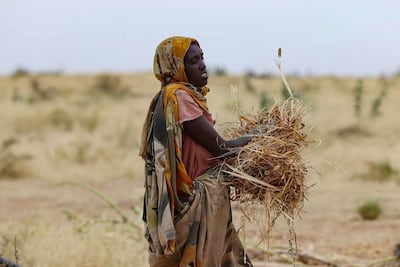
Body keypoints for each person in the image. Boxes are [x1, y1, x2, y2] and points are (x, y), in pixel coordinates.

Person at [140, 36, 253, 267]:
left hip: (196, 202)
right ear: (176, 68)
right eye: (193, 61)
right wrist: (260, 135)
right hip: (196, 204)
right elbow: (221, 148)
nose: (202, 64)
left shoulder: (170, 97)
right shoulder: (179, 97)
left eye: (202, 58)